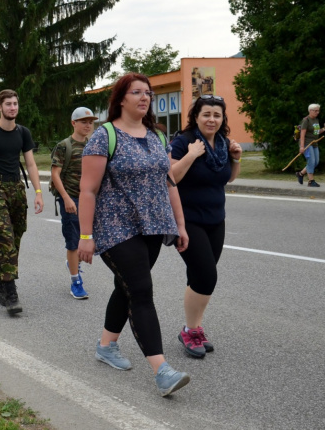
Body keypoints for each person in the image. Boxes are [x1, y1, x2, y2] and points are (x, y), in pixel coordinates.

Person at [78, 73, 191, 397]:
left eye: (148, 93)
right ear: (121, 99)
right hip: (115, 228)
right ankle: (162, 371)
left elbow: (169, 182)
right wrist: (85, 236)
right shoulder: (104, 137)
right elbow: (88, 190)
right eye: (137, 92)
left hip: (153, 226)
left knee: (126, 286)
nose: (144, 97)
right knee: (141, 290)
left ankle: (106, 345)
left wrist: (180, 224)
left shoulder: (156, 136)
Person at [170, 95, 242, 358]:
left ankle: (196, 327)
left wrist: (236, 159)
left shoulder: (223, 143)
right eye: (206, 114)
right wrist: (191, 155)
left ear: (222, 118)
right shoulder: (183, 142)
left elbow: (228, 179)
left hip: (215, 220)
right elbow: (171, 177)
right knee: (206, 276)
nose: (212, 119)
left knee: (198, 276)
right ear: (196, 117)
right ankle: (189, 331)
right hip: (188, 221)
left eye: (217, 115)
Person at [0, 89, 44, 315]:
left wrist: (38, 192)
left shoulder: (23, 133)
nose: (13, 107)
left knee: (15, 239)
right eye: (8, 104)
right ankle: (11, 292)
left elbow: (31, 164)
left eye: (15, 104)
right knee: (6, 241)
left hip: (17, 190)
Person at [50, 107, 98, 300]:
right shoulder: (64, 146)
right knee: (73, 241)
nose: (88, 125)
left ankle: (73, 264)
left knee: (86, 238)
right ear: (73, 123)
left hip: (88, 200)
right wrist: (66, 198)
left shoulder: (93, 145)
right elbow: (55, 174)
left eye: (90, 122)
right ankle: (75, 281)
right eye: (83, 122)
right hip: (70, 198)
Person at [295, 103, 323, 187]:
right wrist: (302, 146)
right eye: (315, 111)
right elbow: (302, 134)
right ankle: (311, 181)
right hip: (307, 144)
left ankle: (300, 174)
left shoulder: (316, 120)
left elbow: (316, 132)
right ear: (310, 111)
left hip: (314, 143)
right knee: (311, 161)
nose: (317, 112)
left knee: (316, 162)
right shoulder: (306, 120)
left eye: (318, 111)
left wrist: (324, 129)